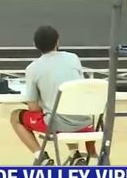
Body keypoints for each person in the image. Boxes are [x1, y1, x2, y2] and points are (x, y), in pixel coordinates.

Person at [10, 26, 95, 166]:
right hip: (84, 122)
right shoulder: (74, 58)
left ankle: (41, 157)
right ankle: (75, 155)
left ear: (35, 45)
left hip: (57, 124)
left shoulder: (32, 68)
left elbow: (33, 108)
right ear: (58, 42)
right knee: (66, 107)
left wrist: (41, 102)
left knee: (15, 116)